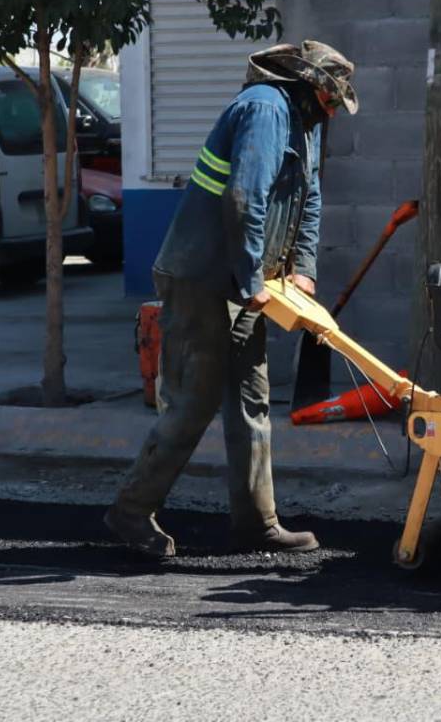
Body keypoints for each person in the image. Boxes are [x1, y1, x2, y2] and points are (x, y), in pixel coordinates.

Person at [104, 41, 358, 557]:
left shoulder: (305, 123)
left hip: (243, 282)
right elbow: (245, 197)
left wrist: (303, 269)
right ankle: (130, 512)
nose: (333, 111)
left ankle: (257, 524)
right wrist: (252, 278)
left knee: (250, 403)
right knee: (193, 402)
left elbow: (309, 196)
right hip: (202, 278)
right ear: (308, 86)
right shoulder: (265, 110)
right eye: (331, 99)